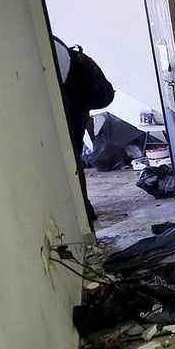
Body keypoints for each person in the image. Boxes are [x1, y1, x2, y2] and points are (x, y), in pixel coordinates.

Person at [53, 36, 101, 222]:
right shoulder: (55, 44)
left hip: (72, 109)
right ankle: (84, 210)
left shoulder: (48, 48)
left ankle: (83, 213)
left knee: (72, 161)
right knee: (74, 159)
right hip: (76, 107)